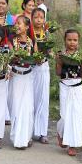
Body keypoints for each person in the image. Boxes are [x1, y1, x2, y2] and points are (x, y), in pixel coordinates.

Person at [56, 29, 82, 156]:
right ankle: (61, 132)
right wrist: (59, 62)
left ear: (78, 41)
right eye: (69, 40)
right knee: (64, 115)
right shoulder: (61, 54)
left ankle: (73, 145)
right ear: (65, 40)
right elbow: (58, 73)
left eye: (75, 40)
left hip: (77, 88)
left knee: (76, 116)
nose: (72, 43)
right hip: (65, 86)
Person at [9, 15, 36, 149]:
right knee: (16, 106)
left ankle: (26, 136)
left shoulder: (32, 42)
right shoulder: (12, 41)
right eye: (16, 23)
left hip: (28, 77)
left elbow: (36, 58)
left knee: (28, 107)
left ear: (26, 27)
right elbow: (8, 58)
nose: (17, 26)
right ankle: (17, 137)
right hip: (16, 76)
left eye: (20, 23)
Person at [32, 8, 50, 144]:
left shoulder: (47, 34)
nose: (39, 19)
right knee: (31, 99)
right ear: (31, 19)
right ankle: (30, 130)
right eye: (36, 17)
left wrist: (47, 51)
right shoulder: (28, 33)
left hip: (43, 68)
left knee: (43, 99)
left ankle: (42, 132)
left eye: (41, 17)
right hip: (31, 68)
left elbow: (49, 50)